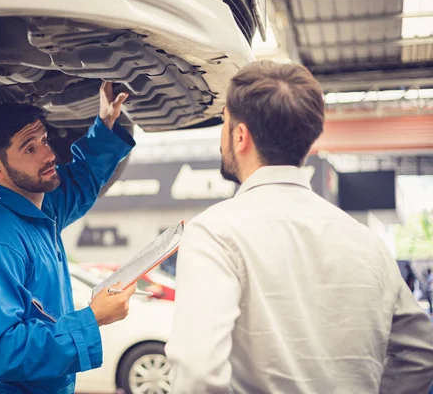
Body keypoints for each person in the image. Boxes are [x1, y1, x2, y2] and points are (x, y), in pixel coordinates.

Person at [165, 60, 433, 394]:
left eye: (224, 121)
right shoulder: (368, 242)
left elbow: (197, 375)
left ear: (240, 135)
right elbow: (420, 353)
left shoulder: (213, 233)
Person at [0, 82, 138, 394]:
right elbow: (4, 352)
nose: (49, 153)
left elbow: (83, 178)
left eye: (43, 140)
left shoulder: (40, 211)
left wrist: (106, 121)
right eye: (30, 148)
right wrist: (92, 319)